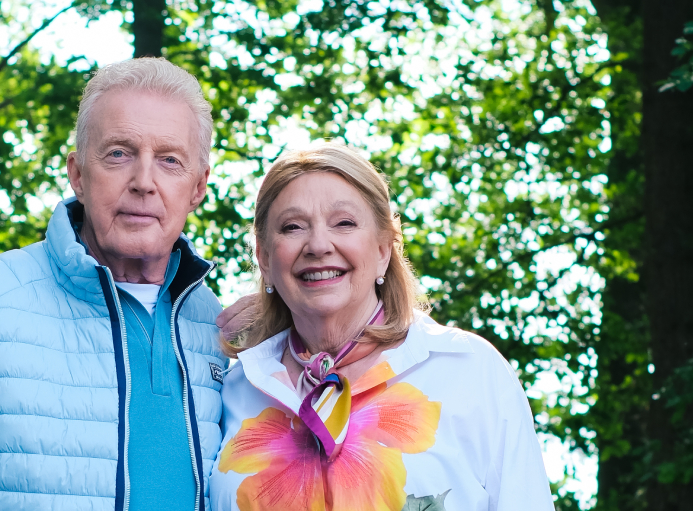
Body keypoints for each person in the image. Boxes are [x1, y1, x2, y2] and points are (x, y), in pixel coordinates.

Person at [0, 58, 228, 510]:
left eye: (170, 160)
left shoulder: (221, 330)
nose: (143, 182)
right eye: (118, 153)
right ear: (77, 173)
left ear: (198, 187)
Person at [209, 142, 554, 511]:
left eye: (344, 223)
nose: (318, 244)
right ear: (263, 258)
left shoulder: (471, 371)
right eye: (292, 227)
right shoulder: (233, 388)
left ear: (383, 250)